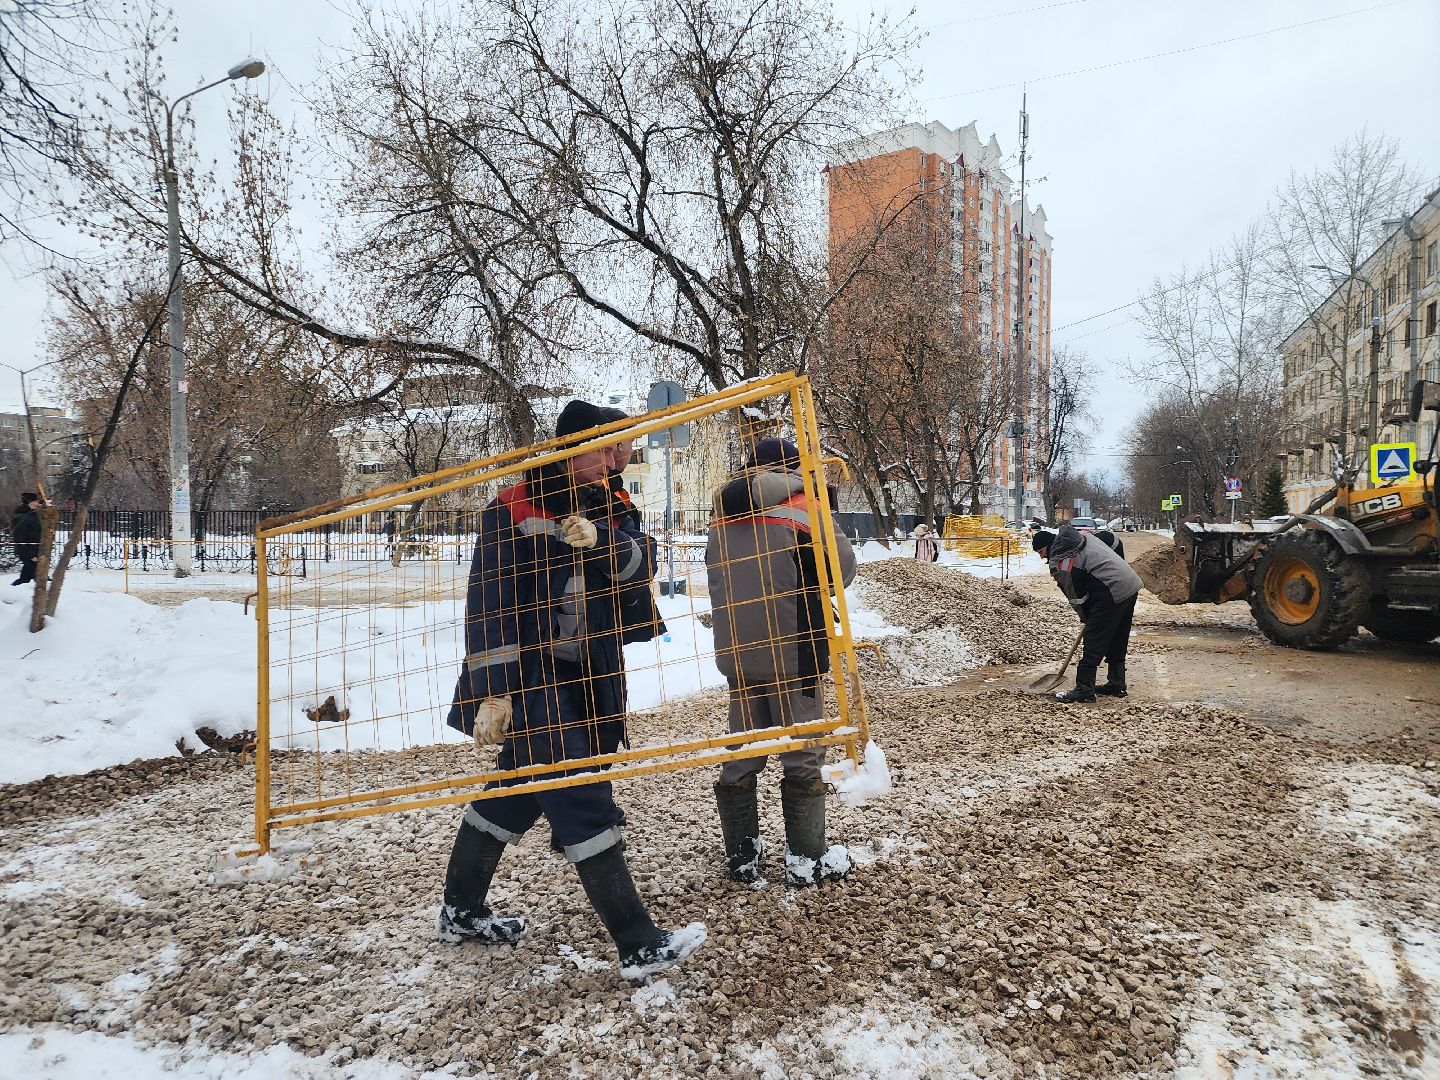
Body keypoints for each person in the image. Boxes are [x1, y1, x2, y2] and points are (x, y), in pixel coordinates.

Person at [437, 398, 704, 980]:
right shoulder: (511, 506)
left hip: (592, 670)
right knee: (577, 788)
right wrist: (494, 690)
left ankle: (460, 909)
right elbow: (490, 603)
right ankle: (636, 941)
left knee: (517, 787)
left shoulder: (613, 500)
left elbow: (641, 563)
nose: (619, 458)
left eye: (622, 447)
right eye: (608, 447)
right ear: (573, 448)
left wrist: (603, 543)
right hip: (535, 676)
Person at [705, 438, 858, 885]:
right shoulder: (802, 508)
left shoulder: (721, 513)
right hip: (794, 653)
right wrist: (825, 512)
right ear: (795, 468)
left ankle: (741, 855)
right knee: (804, 754)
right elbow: (841, 573)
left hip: (737, 654)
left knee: (744, 748)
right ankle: (806, 858)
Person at [1032, 525, 1142, 703]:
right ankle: (1116, 683)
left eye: (1041, 551)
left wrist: (1086, 618)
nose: (1042, 556)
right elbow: (1113, 540)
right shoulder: (1082, 535)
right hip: (1130, 583)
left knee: (1094, 639)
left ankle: (1084, 688)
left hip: (1110, 590)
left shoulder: (1061, 561)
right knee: (1118, 636)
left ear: (1049, 545)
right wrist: (1117, 567)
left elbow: (1076, 597)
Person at [10, 492, 42, 586]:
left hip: (34, 550)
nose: (37, 504)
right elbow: (21, 537)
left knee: (30, 576)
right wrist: (31, 555)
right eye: (35, 501)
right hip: (27, 551)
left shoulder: (32, 514)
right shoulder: (23, 517)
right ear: (29, 502)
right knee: (30, 576)